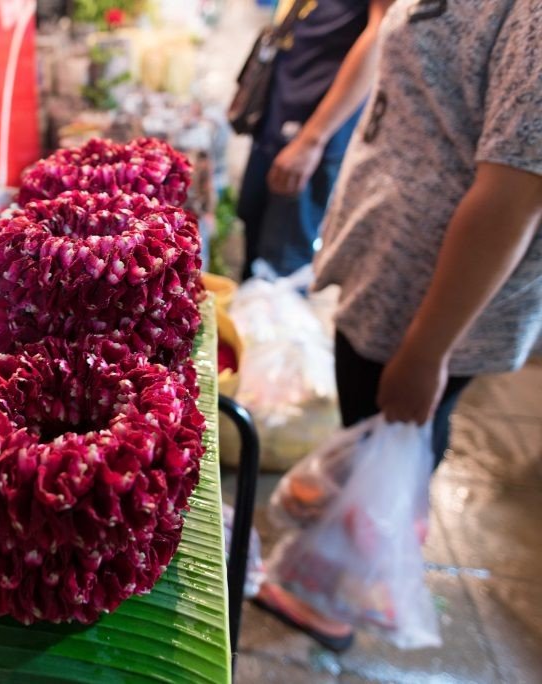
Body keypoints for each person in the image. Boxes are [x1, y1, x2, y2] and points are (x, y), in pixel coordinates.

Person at [257, 0, 542, 651]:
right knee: (375, 428)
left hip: (438, 293)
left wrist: (426, 351)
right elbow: (383, 28)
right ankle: (359, 544)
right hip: (387, 262)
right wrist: (315, 137)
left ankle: (335, 593)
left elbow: (515, 192)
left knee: (401, 426)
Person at [238, 0, 394, 279]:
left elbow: (379, 34)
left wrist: (313, 140)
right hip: (280, 110)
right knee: (252, 233)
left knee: (279, 267)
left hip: (311, 127)